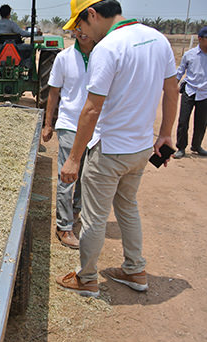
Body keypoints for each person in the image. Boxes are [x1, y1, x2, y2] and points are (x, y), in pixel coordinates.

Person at [55, 0, 179, 297]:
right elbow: (172, 90)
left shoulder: (108, 48)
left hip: (109, 149)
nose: (82, 33)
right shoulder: (157, 39)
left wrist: (73, 159)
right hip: (140, 148)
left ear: (93, 15)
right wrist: (165, 134)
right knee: (127, 208)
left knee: (95, 217)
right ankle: (135, 270)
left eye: (81, 25)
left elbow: (91, 110)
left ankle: (86, 278)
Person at [42, 28, 96, 249]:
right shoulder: (63, 58)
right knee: (67, 175)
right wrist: (48, 124)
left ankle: (75, 211)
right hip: (69, 123)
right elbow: (53, 93)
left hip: (94, 126)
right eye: (78, 29)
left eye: (87, 28)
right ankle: (64, 226)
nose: (82, 33)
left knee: (86, 175)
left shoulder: (103, 55)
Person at [174, 26, 207, 159]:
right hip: (190, 91)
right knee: (183, 120)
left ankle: (196, 146)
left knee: (201, 122)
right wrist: (171, 87)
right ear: (200, 39)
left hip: (205, 94)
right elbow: (180, 72)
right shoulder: (190, 54)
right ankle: (181, 148)